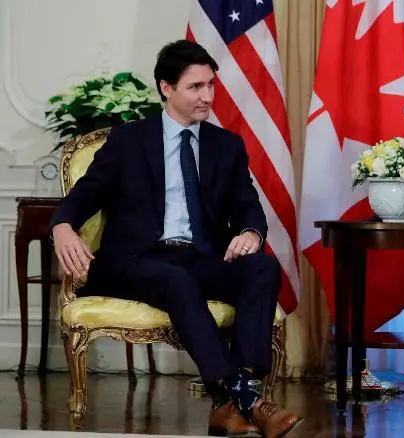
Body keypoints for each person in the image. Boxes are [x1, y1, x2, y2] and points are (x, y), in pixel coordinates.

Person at [50, 40, 302, 438]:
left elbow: (247, 204)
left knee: (263, 267)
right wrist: (62, 226)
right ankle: (249, 400)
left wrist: (252, 233)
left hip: (201, 258)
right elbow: (83, 196)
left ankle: (230, 400)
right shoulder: (129, 140)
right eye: (196, 87)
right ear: (166, 88)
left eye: (211, 85)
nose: (208, 96)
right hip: (137, 261)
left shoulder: (226, 145)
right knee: (176, 279)